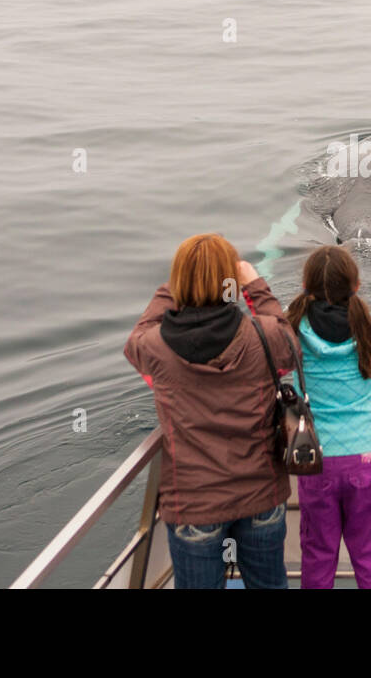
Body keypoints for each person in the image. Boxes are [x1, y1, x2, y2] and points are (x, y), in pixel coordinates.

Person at [123, 233, 300, 589]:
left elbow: (135, 339)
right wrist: (256, 286)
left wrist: (179, 285)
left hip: (194, 504)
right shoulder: (263, 335)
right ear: (231, 283)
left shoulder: (154, 347)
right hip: (261, 495)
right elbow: (287, 338)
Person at [285, 245, 371, 589]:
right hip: (364, 460)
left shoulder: (295, 329)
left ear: (305, 285)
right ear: (356, 285)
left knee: (318, 554)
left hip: (316, 461)